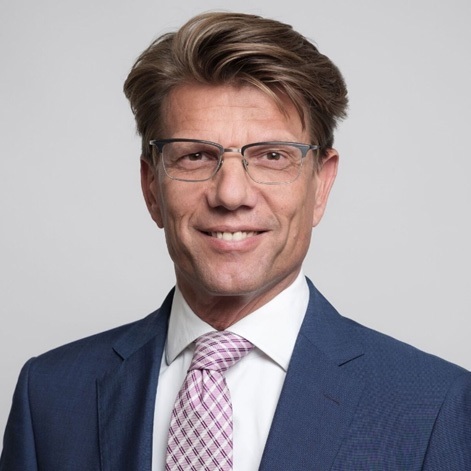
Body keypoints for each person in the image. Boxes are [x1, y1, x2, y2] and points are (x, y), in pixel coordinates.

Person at [1, 10, 470, 471]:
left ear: (321, 184)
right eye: (195, 156)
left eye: (272, 156)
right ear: (151, 187)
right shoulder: (50, 396)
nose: (230, 194)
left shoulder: (434, 408)